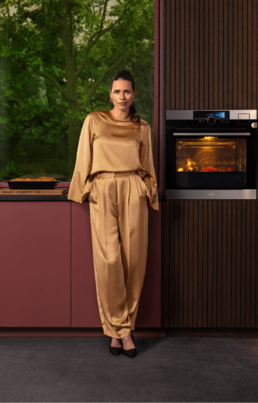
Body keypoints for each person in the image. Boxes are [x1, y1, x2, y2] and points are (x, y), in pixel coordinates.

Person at [68, 70, 158, 358]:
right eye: (117, 92)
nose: (122, 97)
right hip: (103, 188)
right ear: (110, 95)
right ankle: (118, 329)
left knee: (134, 261)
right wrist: (85, 189)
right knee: (109, 261)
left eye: (127, 92)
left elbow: (148, 165)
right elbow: (83, 157)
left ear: (134, 95)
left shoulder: (142, 127)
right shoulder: (94, 120)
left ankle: (122, 331)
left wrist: (148, 189)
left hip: (133, 187)